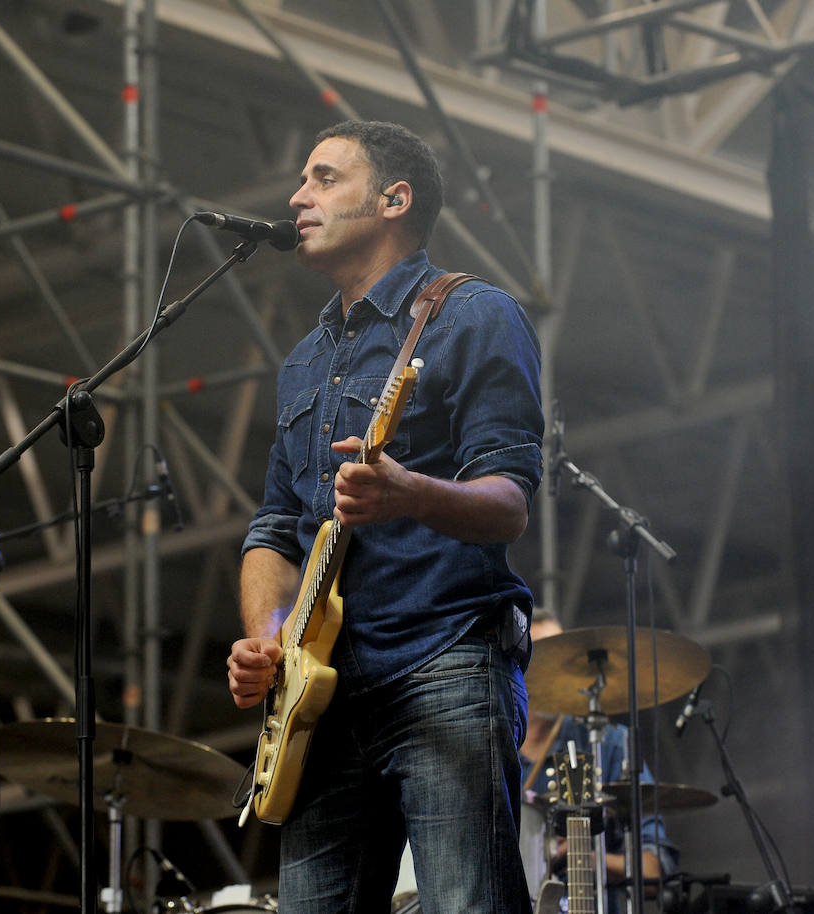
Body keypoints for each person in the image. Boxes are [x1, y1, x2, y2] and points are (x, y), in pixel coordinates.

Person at [225, 120, 544, 913]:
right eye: (303, 179)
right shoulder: (302, 361)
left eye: (325, 178)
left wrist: (410, 495)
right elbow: (273, 528)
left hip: (445, 663)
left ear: (394, 200)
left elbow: (509, 504)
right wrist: (269, 634)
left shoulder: (475, 315)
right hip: (320, 702)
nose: (299, 196)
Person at [519, 610, 680, 912]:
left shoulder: (608, 745)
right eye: (543, 660)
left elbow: (657, 868)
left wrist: (592, 857)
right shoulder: (491, 755)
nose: (554, 673)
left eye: (562, 660)